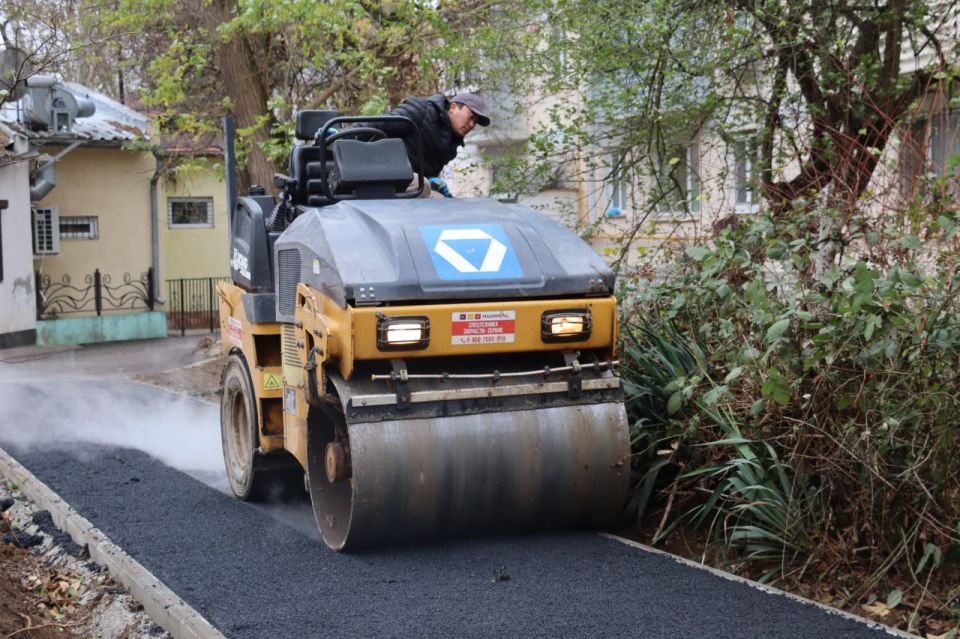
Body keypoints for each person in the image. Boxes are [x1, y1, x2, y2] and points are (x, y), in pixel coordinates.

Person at [377, 93, 490, 196]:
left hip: (410, 182)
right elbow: (377, 125)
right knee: (422, 186)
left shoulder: (450, 145)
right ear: (453, 108)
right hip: (382, 171)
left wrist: (432, 179)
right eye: (471, 117)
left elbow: (425, 172)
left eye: (475, 122)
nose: (471, 125)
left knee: (446, 203)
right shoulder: (422, 111)